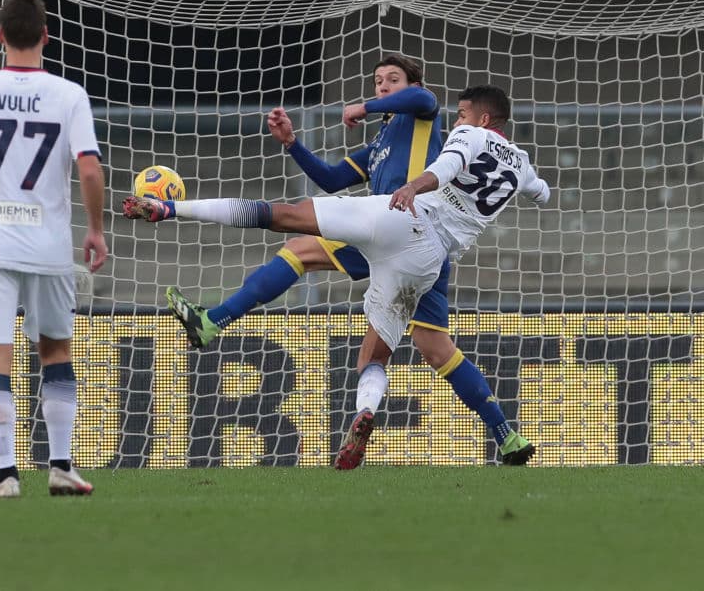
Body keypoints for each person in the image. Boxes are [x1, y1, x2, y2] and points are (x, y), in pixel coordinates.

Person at [125, 85, 549, 467]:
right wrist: (531, 186)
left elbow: (448, 165)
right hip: (426, 260)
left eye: (462, 114)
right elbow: (539, 190)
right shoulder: (522, 164)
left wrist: (413, 186)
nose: (456, 120)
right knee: (375, 358)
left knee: (284, 217)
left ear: (483, 118)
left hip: (398, 214)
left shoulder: (468, 133)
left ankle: (170, 210)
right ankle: (371, 413)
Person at [0, 0, 108, 499]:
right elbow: (88, 167)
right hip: (49, 244)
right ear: (45, 37)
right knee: (55, 348)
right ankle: (60, 466)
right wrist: (97, 229)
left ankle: (7, 474)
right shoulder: (69, 94)